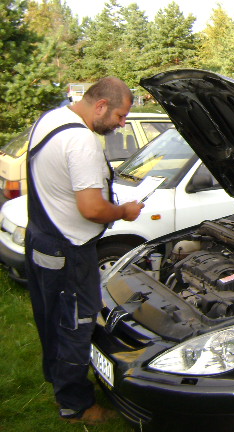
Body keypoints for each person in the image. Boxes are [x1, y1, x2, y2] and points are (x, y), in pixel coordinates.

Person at [24, 77, 145, 424]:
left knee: (51, 319)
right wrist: (124, 211)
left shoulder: (51, 119)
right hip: (70, 250)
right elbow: (92, 208)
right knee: (75, 325)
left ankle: (59, 381)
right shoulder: (82, 141)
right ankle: (76, 406)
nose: (122, 124)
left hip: (43, 239)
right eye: (120, 116)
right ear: (101, 105)